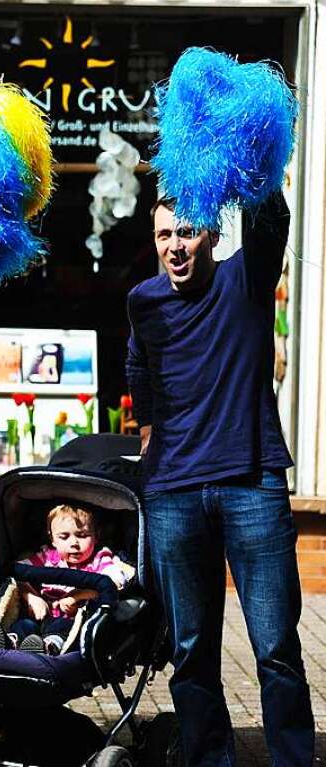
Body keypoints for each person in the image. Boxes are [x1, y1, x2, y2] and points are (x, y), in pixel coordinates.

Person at [126, 190, 314, 765]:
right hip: (173, 494)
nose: (175, 246)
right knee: (190, 651)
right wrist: (150, 428)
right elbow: (138, 365)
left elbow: (272, 217)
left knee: (276, 647)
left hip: (250, 482)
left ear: (210, 233)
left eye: (185, 233)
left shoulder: (247, 279)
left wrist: (250, 144)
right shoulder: (143, 300)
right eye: (164, 236)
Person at [0, 504, 129, 654]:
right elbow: (16, 573)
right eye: (64, 537)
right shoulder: (47, 558)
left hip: (73, 620)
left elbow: (116, 581)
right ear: (53, 539)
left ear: (96, 536)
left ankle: (48, 647)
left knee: (61, 626)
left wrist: (77, 596)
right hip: (40, 613)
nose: (74, 543)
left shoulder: (99, 560)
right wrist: (32, 597)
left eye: (82, 535)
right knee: (24, 625)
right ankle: (9, 642)